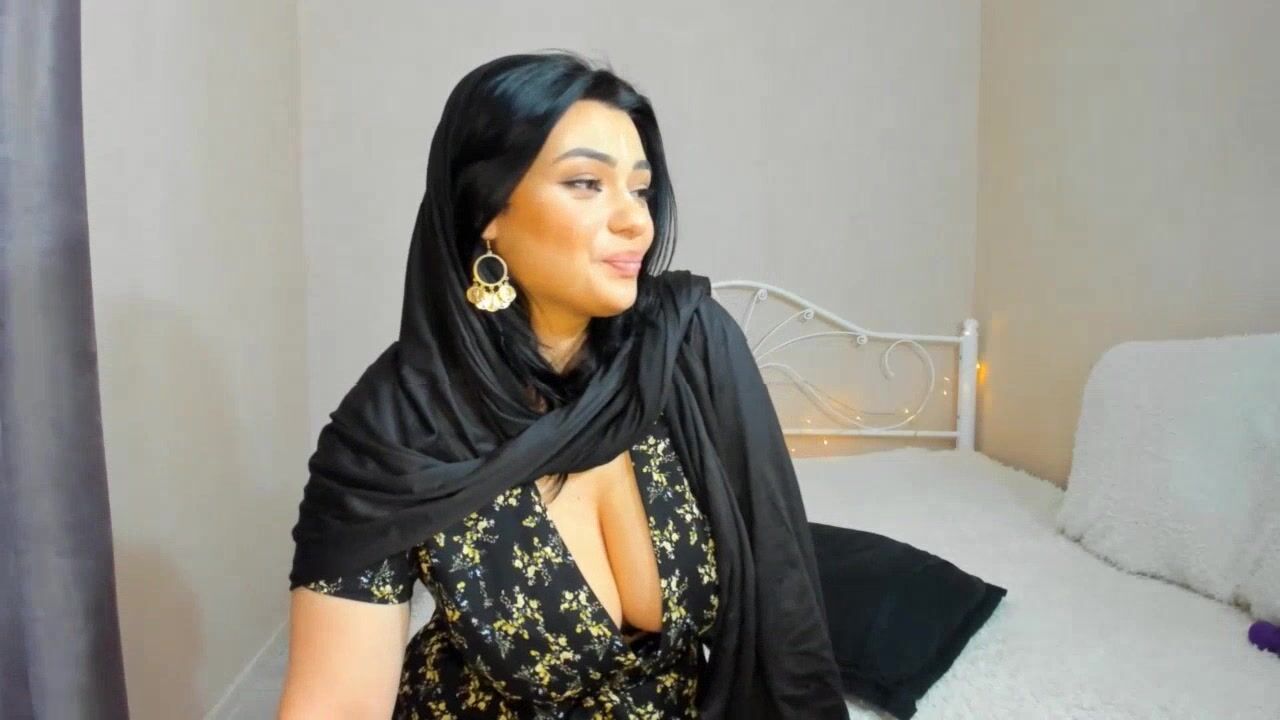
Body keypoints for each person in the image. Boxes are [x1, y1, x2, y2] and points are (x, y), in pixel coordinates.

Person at [278, 50, 846, 719]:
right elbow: (337, 704)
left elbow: (784, 598)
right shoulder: (397, 427)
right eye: (585, 183)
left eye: (640, 189)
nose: (637, 221)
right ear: (487, 210)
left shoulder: (687, 346)